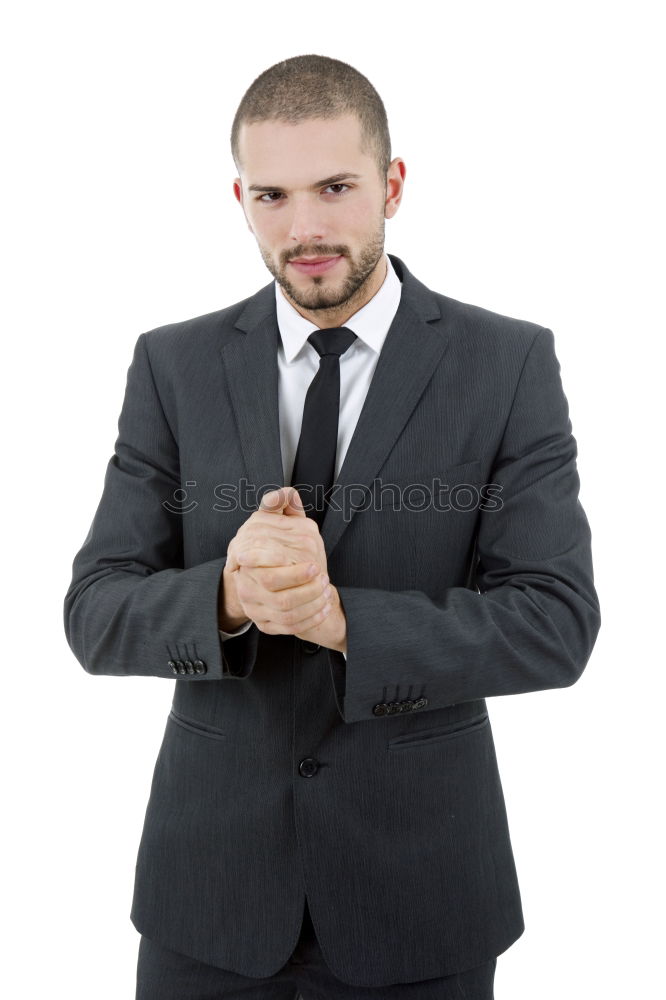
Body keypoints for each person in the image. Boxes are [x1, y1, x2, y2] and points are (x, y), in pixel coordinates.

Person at [63, 53, 601, 1000]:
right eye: (271, 195)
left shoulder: (506, 363)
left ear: (392, 184)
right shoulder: (172, 364)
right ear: (239, 197)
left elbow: (555, 623)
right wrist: (229, 597)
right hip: (209, 900)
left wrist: (340, 618)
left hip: (421, 897)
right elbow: (95, 610)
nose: (303, 227)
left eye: (336, 188)